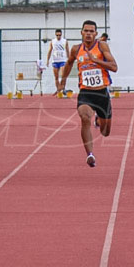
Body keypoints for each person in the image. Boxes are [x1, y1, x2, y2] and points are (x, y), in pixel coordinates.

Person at [58, 20, 117, 168]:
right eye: (86, 31)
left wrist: (96, 60)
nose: (89, 34)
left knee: (105, 132)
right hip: (85, 93)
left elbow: (114, 67)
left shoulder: (102, 46)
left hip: (102, 93)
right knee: (84, 117)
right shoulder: (76, 49)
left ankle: (99, 118)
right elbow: (69, 63)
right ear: (81, 32)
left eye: (92, 31)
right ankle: (90, 155)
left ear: (96, 34)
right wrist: (62, 82)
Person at [45, 29, 69, 95]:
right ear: (55, 35)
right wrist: (47, 60)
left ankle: (63, 88)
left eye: (60, 35)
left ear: (61, 35)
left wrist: (69, 60)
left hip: (63, 60)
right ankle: (58, 90)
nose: (58, 36)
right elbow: (50, 51)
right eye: (57, 35)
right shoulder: (53, 41)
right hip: (55, 61)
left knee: (63, 75)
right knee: (56, 77)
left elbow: (67, 50)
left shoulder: (65, 41)